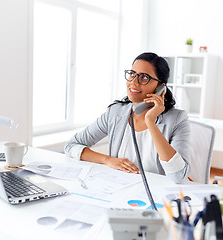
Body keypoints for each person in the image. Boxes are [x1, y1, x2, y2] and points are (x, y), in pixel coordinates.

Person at [64, 52, 190, 183]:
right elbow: (71, 146)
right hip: (119, 189)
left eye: (144, 77)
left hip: (157, 195)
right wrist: (108, 160)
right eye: (132, 74)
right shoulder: (115, 113)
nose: (134, 82)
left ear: (160, 88)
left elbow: (177, 176)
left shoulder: (177, 119)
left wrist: (150, 122)